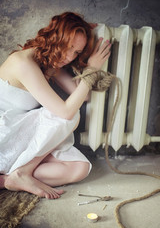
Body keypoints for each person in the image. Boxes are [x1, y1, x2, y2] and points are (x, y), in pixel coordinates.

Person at [0, 12, 111, 199]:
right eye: (68, 46)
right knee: (69, 114)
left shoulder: (50, 64)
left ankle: (7, 179)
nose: (69, 57)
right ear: (55, 38)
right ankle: (22, 173)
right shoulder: (23, 62)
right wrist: (92, 71)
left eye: (76, 52)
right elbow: (66, 112)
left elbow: (84, 96)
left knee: (80, 168)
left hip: (15, 134)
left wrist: (90, 65)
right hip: (4, 137)